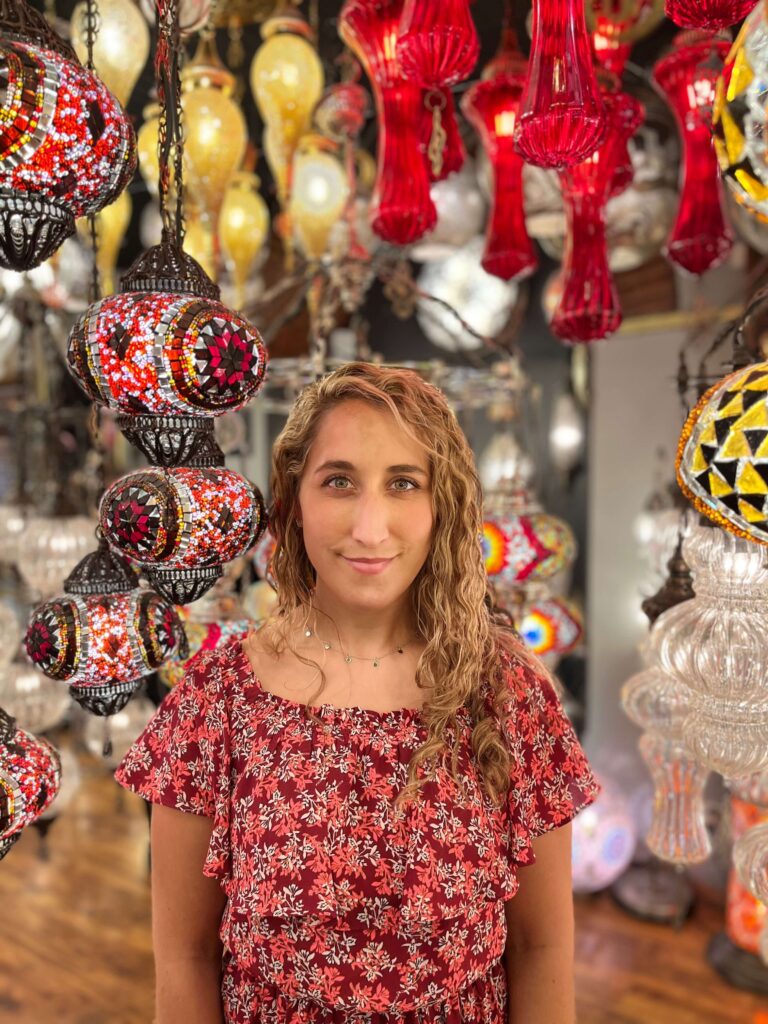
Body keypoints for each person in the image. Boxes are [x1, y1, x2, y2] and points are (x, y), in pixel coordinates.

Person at [116, 362, 599, 1024]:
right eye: (339, 482)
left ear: (441, 506)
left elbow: (542, 950)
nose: (371, 529)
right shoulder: (216, 699)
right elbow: (184, 958)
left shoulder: (507, 691)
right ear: (293, 502)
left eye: (404, 483)